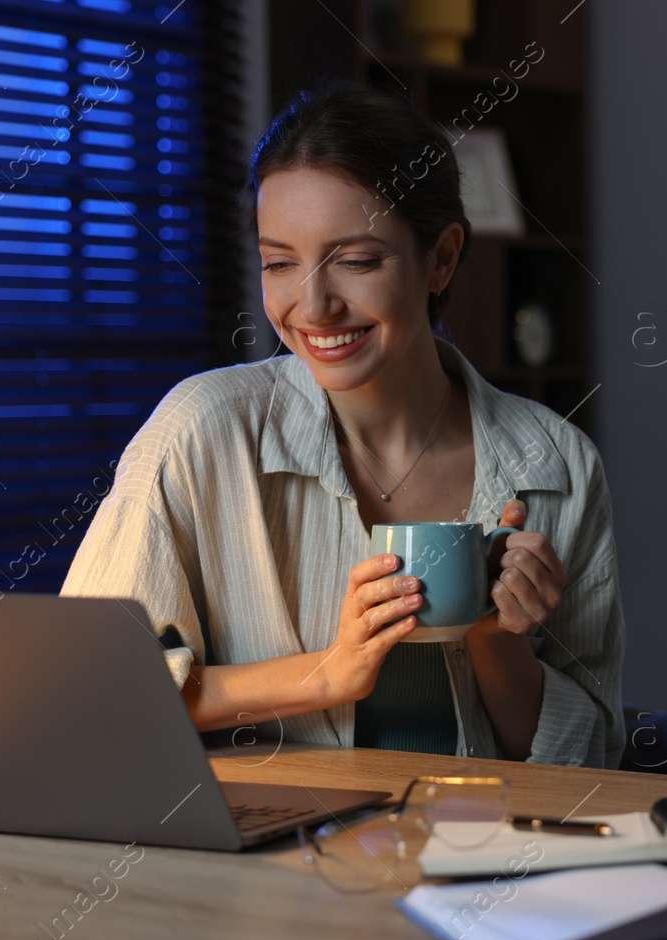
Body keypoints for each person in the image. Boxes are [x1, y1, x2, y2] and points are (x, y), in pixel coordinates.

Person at [62, 83, 623, 767]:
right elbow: (87, 698)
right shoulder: (201, 432)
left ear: (442, 258)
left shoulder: (558, 465)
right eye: (279, 263)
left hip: (482, 854)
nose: (314, 306)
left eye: (355, 261)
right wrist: (325, 673)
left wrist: (495, 639)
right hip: (266, 858)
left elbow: (591, 760)